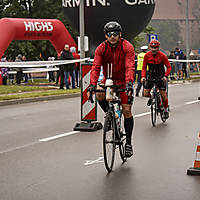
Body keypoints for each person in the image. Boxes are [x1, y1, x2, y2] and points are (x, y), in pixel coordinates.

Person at [87, 21, 135, 157]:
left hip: (124, 80)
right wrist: (92, 83)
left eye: (115, 34)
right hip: (108, 80)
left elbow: (130, 66)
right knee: (100, 95)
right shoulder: (101, 48)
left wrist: (130, 82)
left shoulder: (127, 46)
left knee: (126, 110)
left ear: (120, 34)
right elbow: (96, 67)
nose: (112, 36)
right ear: (105, 36)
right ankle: (110, 115)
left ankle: (129, 143)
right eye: (109, 34)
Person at [141, 40, 171, 119]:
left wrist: (165, 76)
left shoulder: (162, 56)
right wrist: (143, 76)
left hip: (160, 77)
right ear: (150, 47)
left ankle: (165, 110)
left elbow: (168, 67)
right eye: (152, 47)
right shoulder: (147, 56)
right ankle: (152, 97)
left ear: (158, 48)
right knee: (145, 94)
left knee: (163, 95)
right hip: (150, 76)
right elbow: (144, 68)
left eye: (155, 47)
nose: (154, 49)